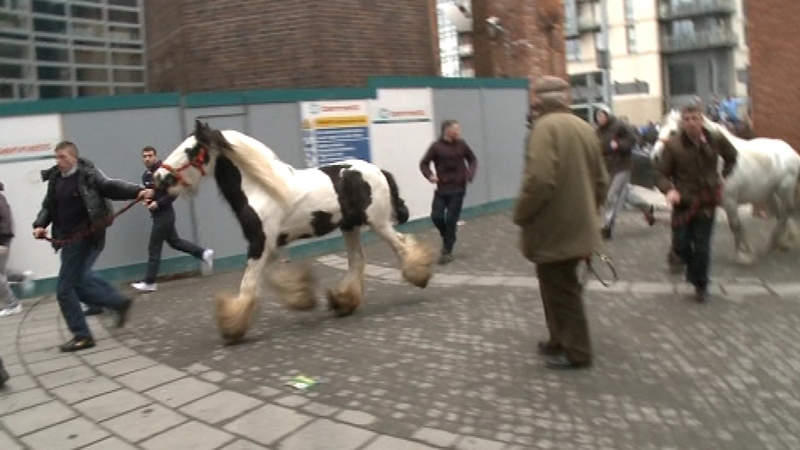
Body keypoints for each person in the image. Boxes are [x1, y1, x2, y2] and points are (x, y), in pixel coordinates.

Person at [513, 76, 609, 370]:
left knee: (563, 290)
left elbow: (540, 180)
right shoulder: (585, 128)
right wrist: (589, 211)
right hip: (579, 224)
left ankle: (578, 352)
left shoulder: (544, 128)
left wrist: (521, 213)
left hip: (554, 226)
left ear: (539, 101)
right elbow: (602, 181)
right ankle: (559, 339)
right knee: (554, 285)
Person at [33, 141, 153, 352]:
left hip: (85, 236)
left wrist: (138, 191)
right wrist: (40, 225)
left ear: (74, 157)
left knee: (65, 289)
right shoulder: (55, 179)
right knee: (80, 282)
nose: (59, 161)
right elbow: (48, 206)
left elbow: (111, 187)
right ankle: (117, 302)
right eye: (56, 157)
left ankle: (82, 336)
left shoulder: (87, 175)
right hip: (67, 238)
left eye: (63, 157)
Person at [657, 104, 737, 302]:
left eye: (695, 118)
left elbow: (732, 156)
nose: (691, 123)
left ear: (702, 120)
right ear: (682, 123)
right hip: (683, 203)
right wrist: (669, 190)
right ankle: (694, 272)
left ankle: (701, 285)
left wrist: (723, 175)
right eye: (687, 119)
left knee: (702, 246)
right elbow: (661, 174)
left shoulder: (715, 139)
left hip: (706, 202)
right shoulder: (673, 146)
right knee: (681, 246)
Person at [131, 146, 213, 292]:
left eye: (150, 156)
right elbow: (152, 194)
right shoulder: (146, 175)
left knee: (154, 248)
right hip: (159, 215)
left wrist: (158, 203)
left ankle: (150, 282)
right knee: (175, 242)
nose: (147, 159)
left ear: (155, 156)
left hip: (165, 215)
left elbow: (173, 193)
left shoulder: (164, 171)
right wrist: (148, 201)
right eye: (145, 156)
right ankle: (204, 253)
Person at [419, 120, 478, 265]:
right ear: (447, 130)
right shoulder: (436, 147)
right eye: (455, 129)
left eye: (459, 129)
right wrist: (430, 176)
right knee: (437, 216)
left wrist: (469, 174)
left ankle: (447, 252)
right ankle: (448, 236)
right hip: (442, 188)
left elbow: (473, 159)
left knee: (451, 219)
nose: (458, 131)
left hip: (458, 188)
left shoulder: (462, 145)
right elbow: (424, 163)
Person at [595, 106, 655, 239]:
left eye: (602, 115)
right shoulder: (599, 131)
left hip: (623, 166)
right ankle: (647, 208)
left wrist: (619, 144)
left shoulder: (619, 125)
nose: (600, 118)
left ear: (607, 115)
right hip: (609, 168)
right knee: (626, 195)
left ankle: (607, 225)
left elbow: (633, 138)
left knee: (611, 195)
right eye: (598, 116)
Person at [0, 181, 34, 317]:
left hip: (1, 239)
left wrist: (2, 243)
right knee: (1, 270)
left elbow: (5, 221)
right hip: (3, 239)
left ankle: (13, 305)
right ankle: (22, 277)